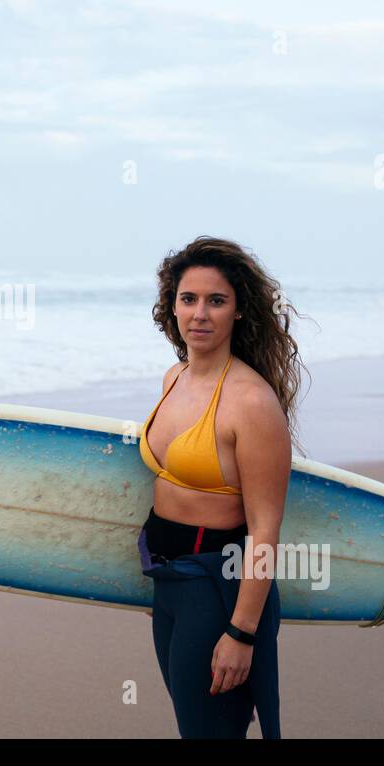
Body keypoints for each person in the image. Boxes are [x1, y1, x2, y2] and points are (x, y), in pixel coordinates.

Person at [136, 236, 307, 738]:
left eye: (217, 300)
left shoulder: (251, 403)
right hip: (167, 584)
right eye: (188, 299)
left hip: (217, 593)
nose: (200, 314)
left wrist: (241, 631)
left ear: (238, 311)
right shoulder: (174, 377)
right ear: (172, 306)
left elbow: (265, 528)